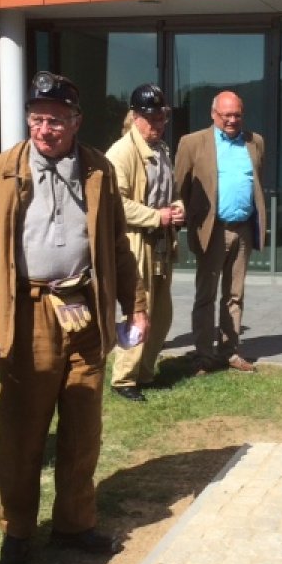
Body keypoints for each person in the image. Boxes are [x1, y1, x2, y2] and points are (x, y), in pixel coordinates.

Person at [0, 71, 147, 564]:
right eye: (39, 118)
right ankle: (18, 531)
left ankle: (74, 524)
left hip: (84, 308)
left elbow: (119, 248)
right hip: (28, 313)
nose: (46, 129)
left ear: (77, 122)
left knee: (83, 428)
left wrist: (136, 304)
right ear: (29, 120)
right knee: (23, 431)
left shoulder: (99, 171)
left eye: (57, 120)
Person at [176, 90, 266, 374]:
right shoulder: (192, 143)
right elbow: (181, 187)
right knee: (206, 295)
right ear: (213, 114)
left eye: (237, 115)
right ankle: (203, 354)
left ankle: (230, 351)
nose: (232, 120)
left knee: (235, 295)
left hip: (243, 231)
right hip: (212, 231)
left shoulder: (255, 142)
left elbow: (256, 183)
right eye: (226, 115)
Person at [106, 84, 185, 402]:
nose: (158, 124)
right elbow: (118, 204)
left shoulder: (162, 150)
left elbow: (172, 191)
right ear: (135, 117)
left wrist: (177, 207)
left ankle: (146, 371)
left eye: (162, 118)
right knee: (139, 309)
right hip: (136, 242)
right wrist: (158, 216)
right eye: (151, 118)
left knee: (162, 312)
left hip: (161, 243)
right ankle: (124, 378)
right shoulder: (120, 153)